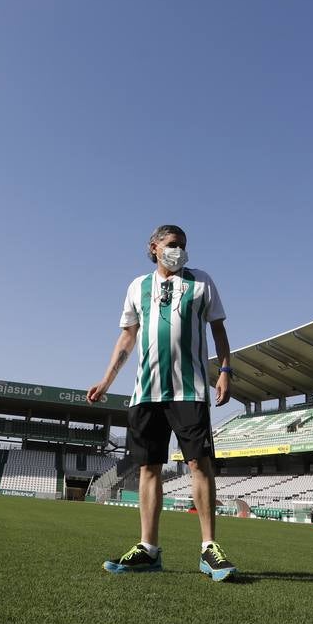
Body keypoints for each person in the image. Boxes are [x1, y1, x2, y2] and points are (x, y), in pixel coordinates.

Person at [87, 224, 238, 582]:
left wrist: (226, 369)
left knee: (199, 465)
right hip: (147, 392)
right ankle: (148, 549)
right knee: (148, 468)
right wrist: (107, 379)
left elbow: (218, 329)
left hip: (190, 389)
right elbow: (127, 337)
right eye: (172, 245)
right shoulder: (137, 286)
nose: (179, 251)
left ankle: (209, 549)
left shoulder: (201, 282)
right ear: (154, 247)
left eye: (183, 245)